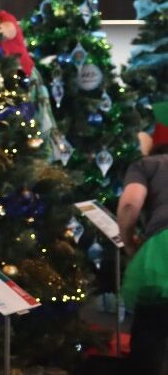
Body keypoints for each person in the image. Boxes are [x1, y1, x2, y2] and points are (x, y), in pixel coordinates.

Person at [118, 102, 168, 375]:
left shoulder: (147, 164)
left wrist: (128, 241)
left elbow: (130, 205)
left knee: (151, 328)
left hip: (163, 249)